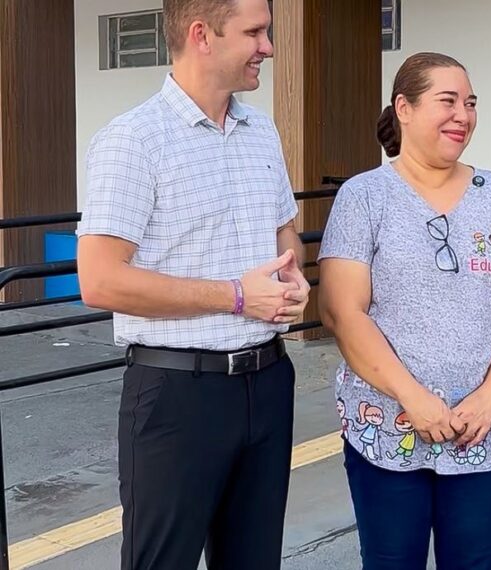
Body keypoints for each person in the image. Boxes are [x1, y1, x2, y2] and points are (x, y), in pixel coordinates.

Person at [76, 1, 308, 568]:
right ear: (202, 35)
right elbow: (100, 280)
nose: (268, 47)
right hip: (177, 395)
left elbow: (286, 238)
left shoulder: (263, 132)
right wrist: (234, 295)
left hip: (268, 382)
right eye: (255, 32)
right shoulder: (133, 140)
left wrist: (291, 278)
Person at [317, 52, 491, 569]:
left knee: (474, 561)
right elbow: (342, 312)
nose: (462, 115)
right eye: (447, 101)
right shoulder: (364, 197)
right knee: (391, 560)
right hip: (389, 428)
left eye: (470, 103)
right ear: (404, 107)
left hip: (482, 428)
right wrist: (411, 397)